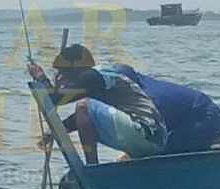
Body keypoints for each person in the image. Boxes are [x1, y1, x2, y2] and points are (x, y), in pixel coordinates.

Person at [27, 44, 167, 164]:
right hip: (154, 138)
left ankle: (92, 166)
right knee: (85, 110)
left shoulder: (93, 76)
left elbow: (55, 100)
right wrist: (54, 132)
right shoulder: (98, 79)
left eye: (63, 74)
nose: (62, 78)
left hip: (145, 131)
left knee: (84, 105)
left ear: (75, 71)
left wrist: (40, 77)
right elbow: (82, 119)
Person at [110, 65, 220, 154]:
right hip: (187, 117)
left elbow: (152, 135)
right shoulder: (139, 84)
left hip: (207, 117)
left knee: (159, 151)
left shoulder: (149, 99)